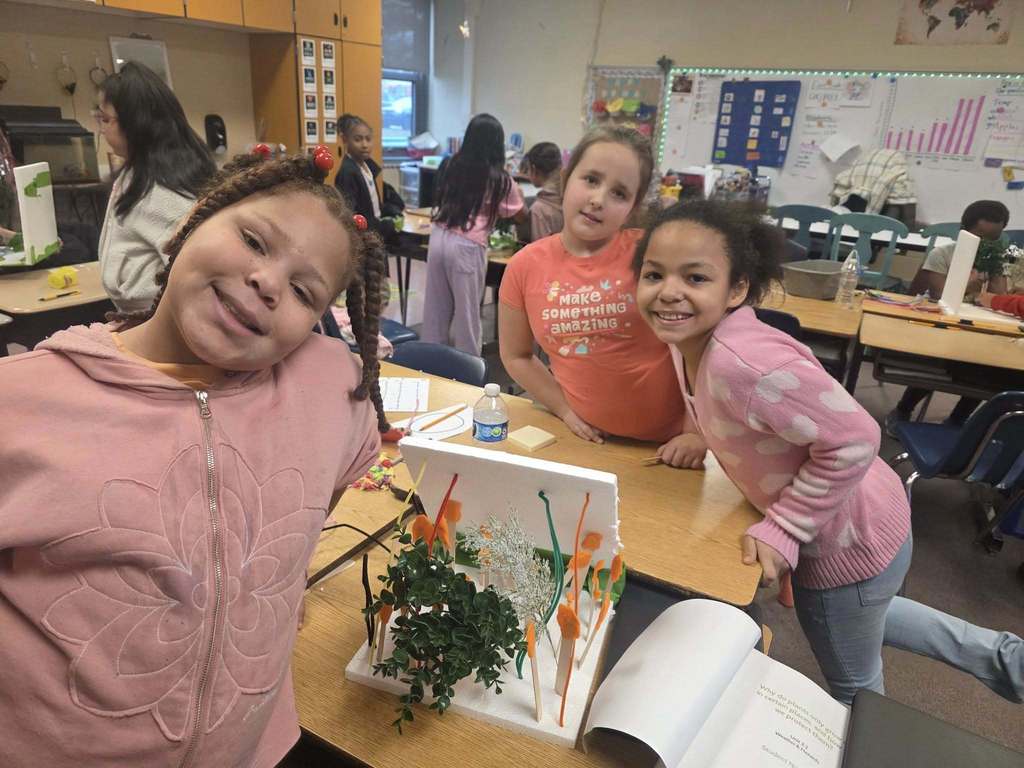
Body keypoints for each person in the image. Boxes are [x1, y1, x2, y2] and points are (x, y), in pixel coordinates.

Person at [0, 150, 391, 767]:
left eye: (302, 291)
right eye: (254, 240)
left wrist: (280, 578)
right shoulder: (20, 404)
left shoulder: (326, 384)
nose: (267, 283)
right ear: (190, 224)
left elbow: (346, 458)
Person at [631, 198, 1023, 704]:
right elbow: (765, 419)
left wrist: (786, 529)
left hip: (842, 542)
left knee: (857, 689)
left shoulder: (739, 363)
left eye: (696, 278)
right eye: (653, 274)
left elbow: (856, 436)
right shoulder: (695, 341)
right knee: (868, 611)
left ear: (738, 289)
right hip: (869, 523)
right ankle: (1006, 659)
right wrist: (701, 434)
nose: (669, 292)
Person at [499, 126, 690, 456]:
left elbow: (703, 343)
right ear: (566, 177)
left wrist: (697, 431)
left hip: (671, 449)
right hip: (584, 440)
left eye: (619, 193)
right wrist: (563, 409)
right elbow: (516, 355)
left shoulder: (653, 252)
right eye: (590, 179)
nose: (598, 199)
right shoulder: (524, 266)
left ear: (633, 206)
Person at [96, 61, 216, 314]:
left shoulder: (162, 190)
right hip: (140, 316)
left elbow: (195, 272)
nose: (102, 129)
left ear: (136, 123)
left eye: (106, 119)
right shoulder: (138, 173)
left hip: (158, 319)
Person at [886, 200, 1011, 435]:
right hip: (944, 323)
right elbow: (940, 295)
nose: (985, 243)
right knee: (940, 361)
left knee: (990, 367)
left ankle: (958, 419)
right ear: (965, 231)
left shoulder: (995, 258)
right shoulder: (942, 254)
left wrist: (994, 270)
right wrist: (967, 285)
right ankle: (903, 409)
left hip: (979, 325)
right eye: (980, 236)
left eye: (993, 238)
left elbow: (1000, 297)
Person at [423, 113, 526, 354]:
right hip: (467, 246)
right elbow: (519, 214)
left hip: (438, 237)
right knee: (467, 315)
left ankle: (427, 363)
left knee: (435, 310)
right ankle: (469, 374)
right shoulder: (500, 179)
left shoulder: (449, 165)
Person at [521, 141, 563, 241]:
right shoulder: (570, 197)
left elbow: (540, 250)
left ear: (533, 169)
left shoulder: (539, 209)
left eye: (528, 170)